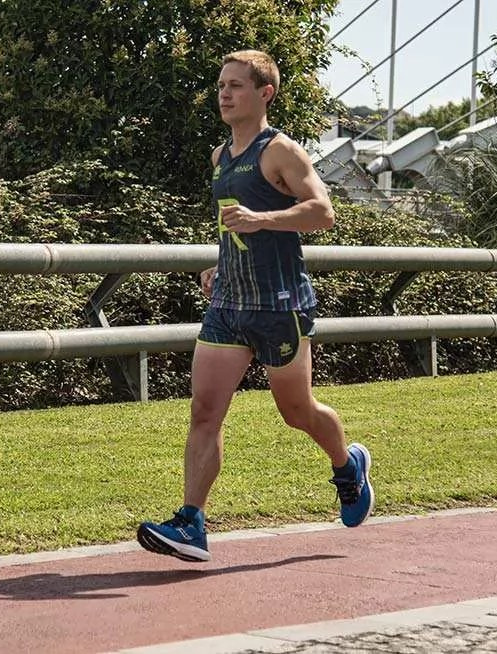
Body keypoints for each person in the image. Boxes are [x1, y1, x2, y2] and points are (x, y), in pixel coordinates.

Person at [136, 50, 373, 563]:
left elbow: (322, 213)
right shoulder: (221, 158)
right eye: (221, 84)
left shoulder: (280, 151)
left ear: (264, 93)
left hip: (280, 304)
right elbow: (233, 226)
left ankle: (347, 464)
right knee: (204, 412)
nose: (224, 94)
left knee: (296, 413)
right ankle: (191, 523)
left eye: (236, 86)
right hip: (229, 304)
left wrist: (263, 220)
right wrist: (223, 264)